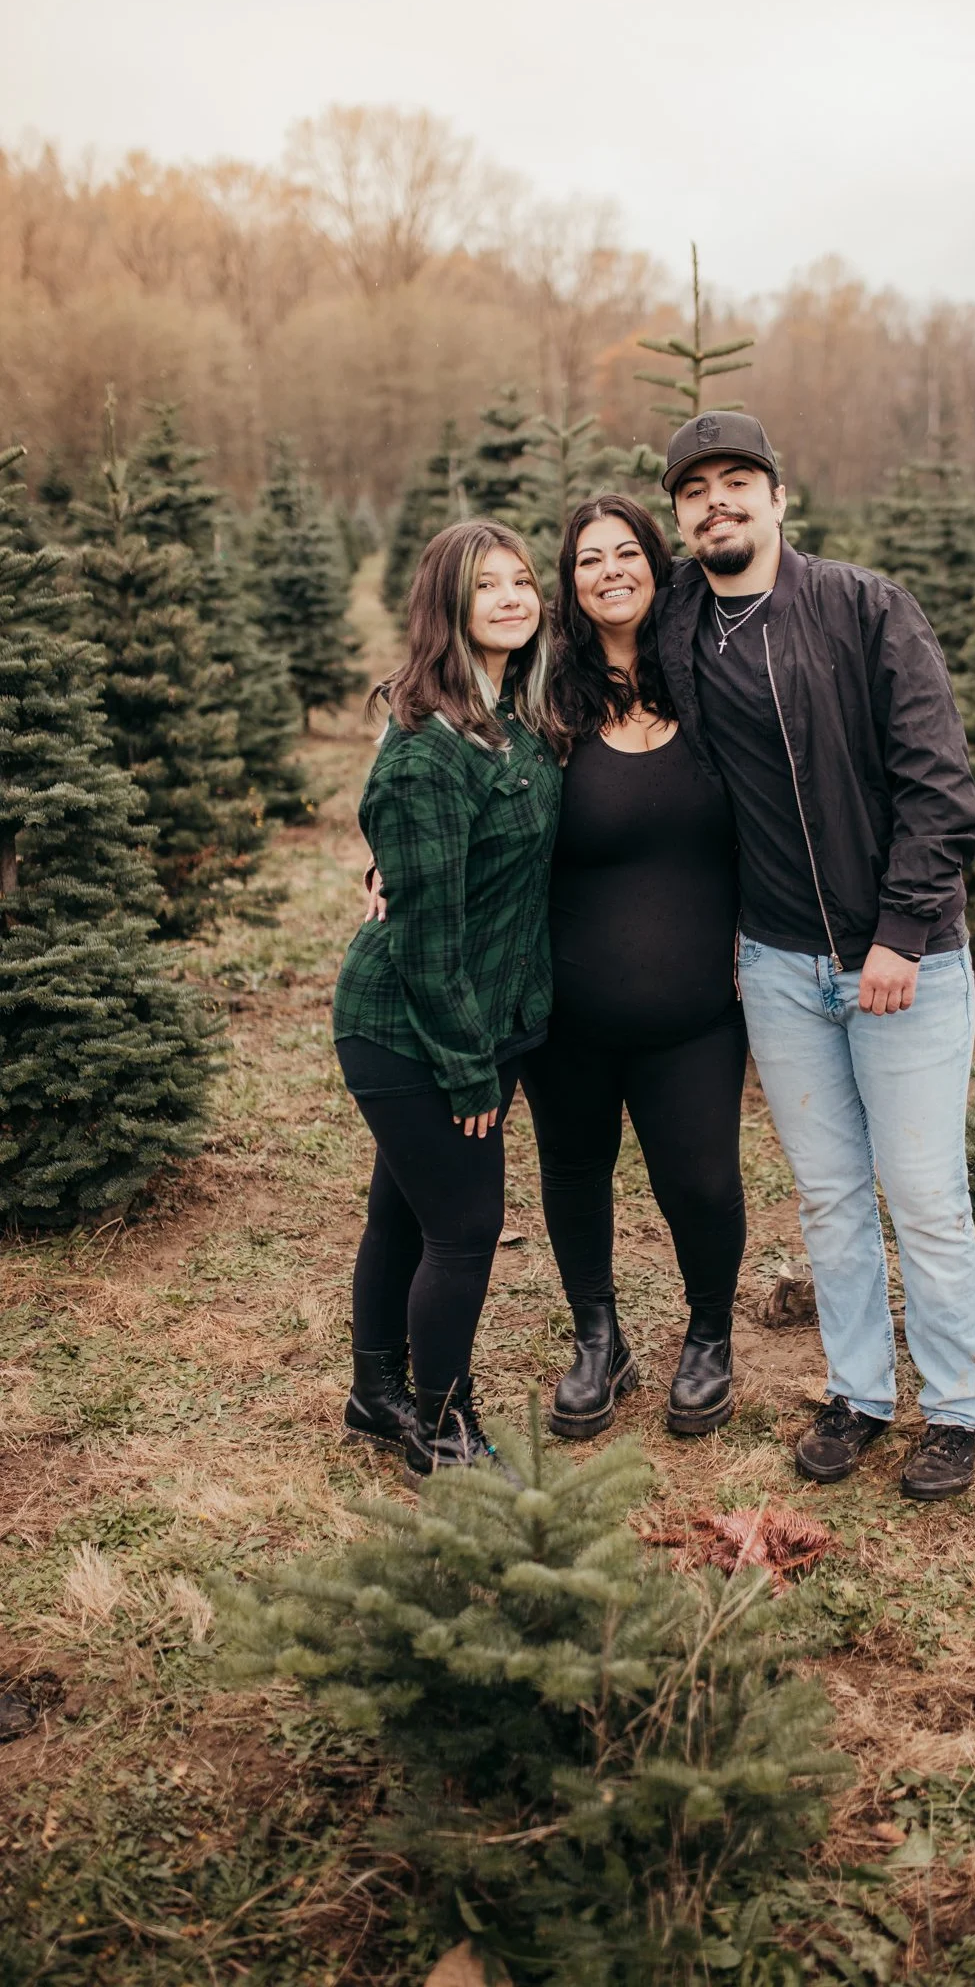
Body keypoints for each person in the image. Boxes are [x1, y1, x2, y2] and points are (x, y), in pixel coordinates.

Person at [654, 412, 975, 1501]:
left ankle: (954, 1409)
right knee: (832, 1195)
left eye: (738, 480)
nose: (719, 501)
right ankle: (857, 1392)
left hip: (903, 963)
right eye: (695, 488)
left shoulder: (865, 607)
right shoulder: (679, 629)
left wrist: (900, 929)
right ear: (679, 518)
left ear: (779, 497)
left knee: (925, 1192)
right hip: (779, 967)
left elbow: (942, 786)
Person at [333, 520, 564, 1483]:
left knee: (405, 1211)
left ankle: (374, 1393)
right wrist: (469, 1066)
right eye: (487, 586)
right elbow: (426, 946)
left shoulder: (510, 716)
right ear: (449, 606)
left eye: (522, 581)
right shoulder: (430, 748)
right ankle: (442, 1428)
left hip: (484, 1019)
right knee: (465, 1229)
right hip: (411, 1028)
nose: (512, 598)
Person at [520, 495, 747, 1440]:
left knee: (699, 1179)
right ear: (568, 584)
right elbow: (461, 781)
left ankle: (708, 1336)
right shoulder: (542, 699)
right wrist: (386, 859)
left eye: (626, 553)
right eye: (586, 560)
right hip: (566, 1011)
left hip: (693, 1015)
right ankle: (596, 1336)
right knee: (574, 1170)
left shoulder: (709, 683)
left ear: (659, 565)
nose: (609, 570)